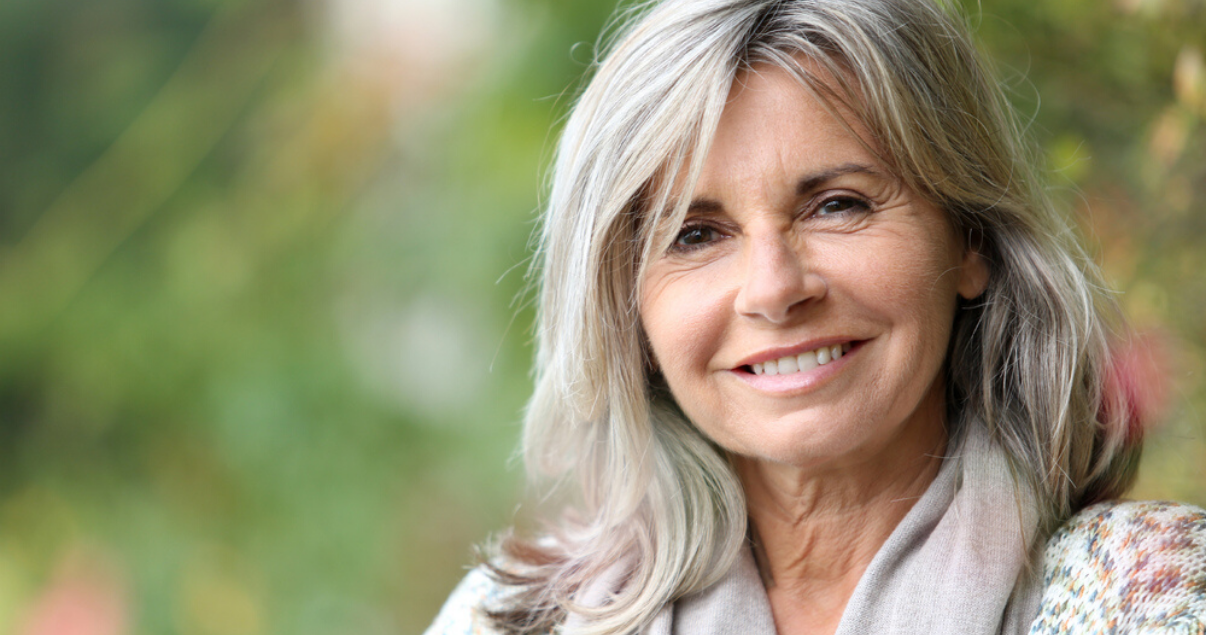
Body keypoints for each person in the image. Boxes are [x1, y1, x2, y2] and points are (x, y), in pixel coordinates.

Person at [426, 0, 1206, 632]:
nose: (773, 288)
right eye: (695, 234)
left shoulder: (1147, 595)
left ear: (971, 237)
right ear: (627, 312)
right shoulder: (510, 620)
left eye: (838, 204)